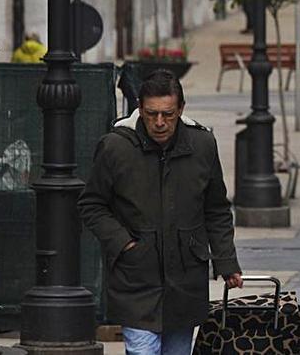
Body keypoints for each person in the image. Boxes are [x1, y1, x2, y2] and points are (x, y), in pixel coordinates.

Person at [78, 70, 243, 355]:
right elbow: (92, 204)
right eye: (151, 113)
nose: (159, 122)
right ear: (140, 109)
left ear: (181, 109)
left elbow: (216, 209)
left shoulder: (202, 145)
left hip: (185, 277)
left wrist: (226, 262)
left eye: (167, 114)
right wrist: (124, 243)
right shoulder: (116, 147)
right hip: (136, 276)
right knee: (142, 351)